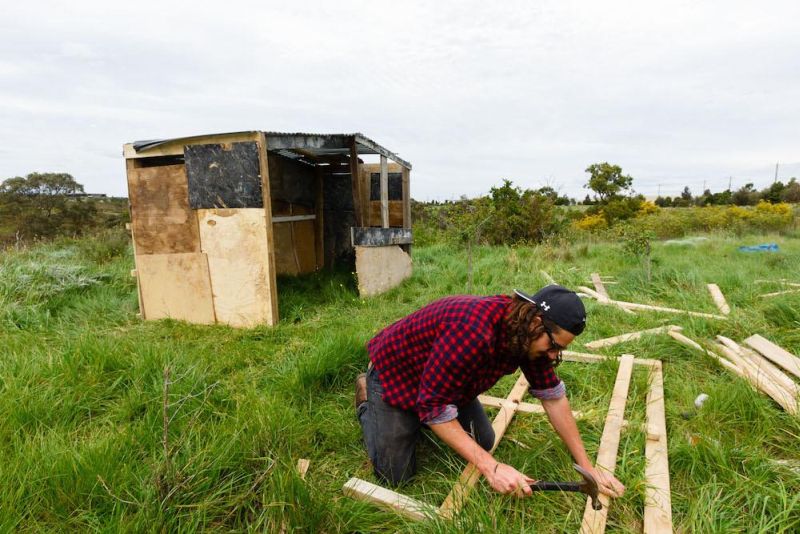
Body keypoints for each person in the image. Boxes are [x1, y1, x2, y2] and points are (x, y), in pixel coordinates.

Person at [354, 285, 625, 498]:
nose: (554, 354)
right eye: (553, 345)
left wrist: (588, 468)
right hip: (397, 376)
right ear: (535, 322)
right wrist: (492, 468)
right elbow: (434, 406)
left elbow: (553, 398)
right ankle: (369, 399)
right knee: (395, 476)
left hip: (448, 383)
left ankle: (419, 422)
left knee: (483, 441)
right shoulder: (472, 331)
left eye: (561, 349)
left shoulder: (530, 337)